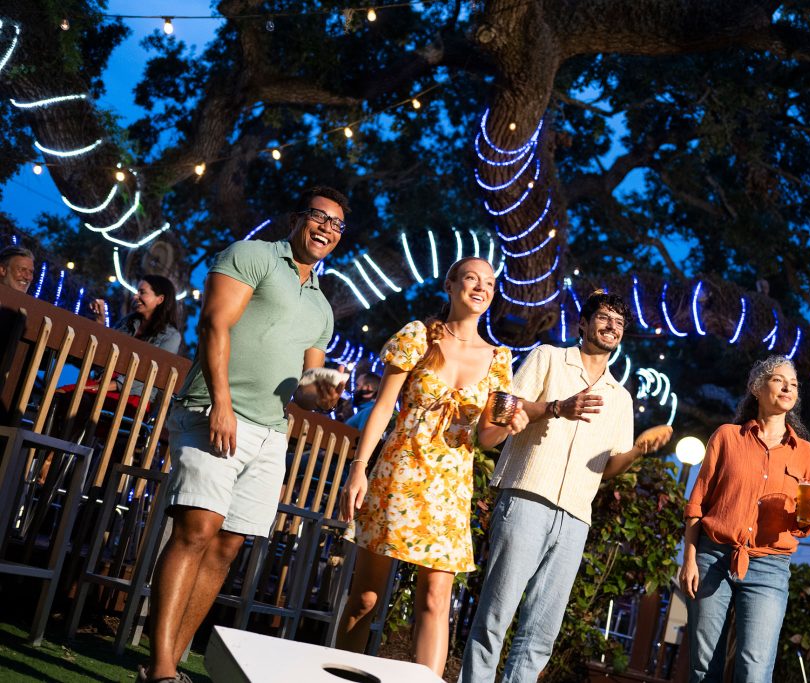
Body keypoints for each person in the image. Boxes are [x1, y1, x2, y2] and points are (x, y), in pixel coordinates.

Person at [139, 187, 349, 683]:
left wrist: (322, 395)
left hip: (271, 433)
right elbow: (215, 325)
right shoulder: (252, 255)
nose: (327, 228)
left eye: (337, 224)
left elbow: (305, 386)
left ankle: (170, 663)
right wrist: (222, 405)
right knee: (197, 531)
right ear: (296, 218)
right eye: (319, 217)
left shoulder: (322, 307)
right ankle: (162, 670)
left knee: (227, 547)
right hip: (215, 410)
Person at [459, 291, 673, 683]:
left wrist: (639, 450)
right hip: (527, 496)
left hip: (575, 517)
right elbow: (506, 411)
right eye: (604, 318)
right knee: (496, 613)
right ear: (583, 324)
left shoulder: (620, 398)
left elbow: (608, 468)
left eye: (619, 323)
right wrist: (558, 407)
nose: (611, 327)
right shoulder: (548, 358)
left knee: (541, 631)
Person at [335, 257, 528, 677]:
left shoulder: (499, 359)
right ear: (451, 285)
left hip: (450, 487)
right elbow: (383, 407)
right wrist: (358, 468)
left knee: (435, 599)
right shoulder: (418, 336)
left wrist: (509, 426)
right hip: (399, 474)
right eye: (472, 278)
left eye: (489, 282)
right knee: (366, 597)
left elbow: (486, 437)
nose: (481, 287)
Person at [680, 355, 810, 683]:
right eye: (778, 380)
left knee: (755, 671)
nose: (788, 388)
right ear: (756, 388)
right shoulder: (727, 437)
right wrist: (689, 559)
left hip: (770, 568)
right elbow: (697, 503)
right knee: (704, 667)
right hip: (713, 557)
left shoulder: (806, 453)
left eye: (793, 384)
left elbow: (801, 527)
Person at [88, 274, 183, 401]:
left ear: (160, 299)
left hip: (133, 397)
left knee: (75, 397)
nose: (135, 296)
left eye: (142, 292)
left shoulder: (171, 336)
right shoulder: (128, 322)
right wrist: (100, 321)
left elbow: (152, 374)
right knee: (64, 394)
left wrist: (105, 386)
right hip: (104, 383)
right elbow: (104, 353)